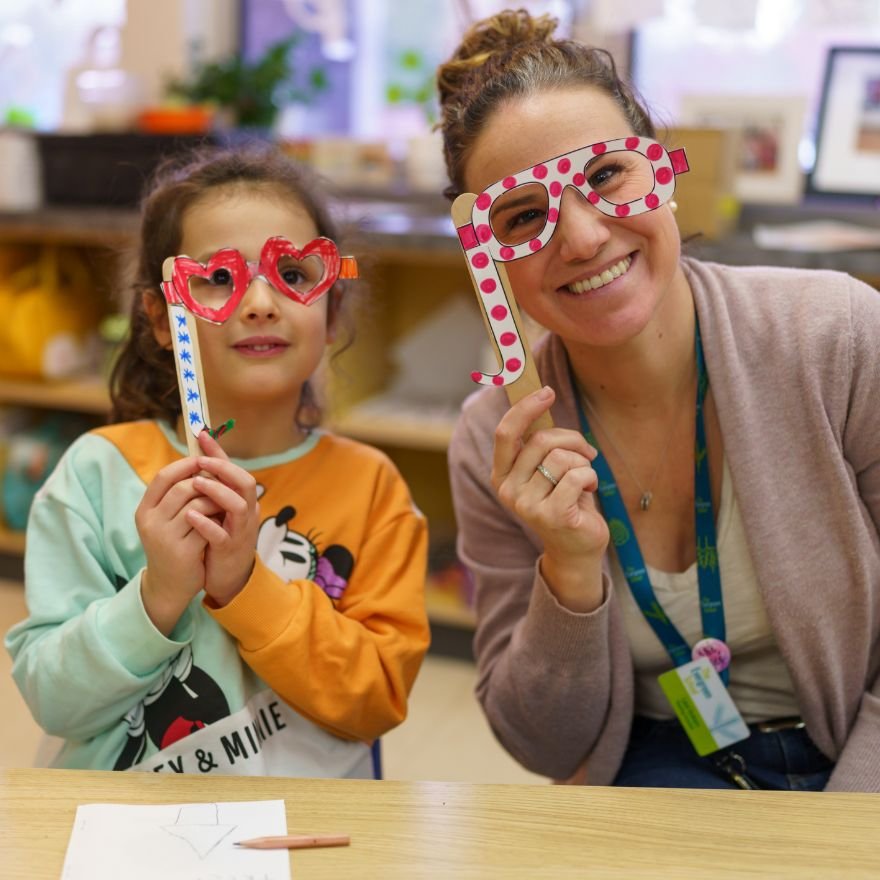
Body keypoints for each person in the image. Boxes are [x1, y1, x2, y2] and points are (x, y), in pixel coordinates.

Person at [439, 9, 880, 791]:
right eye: (524, 216)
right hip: (658, 768)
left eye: (606, 174)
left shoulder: (837, 336)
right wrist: (568, 571)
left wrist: (842, 833)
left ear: (663, 174)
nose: (578, 237)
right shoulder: (495, 443)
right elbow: (539, 745)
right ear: (488, 257)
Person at [5, 145, 430, 777]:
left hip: (307, 837)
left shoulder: (371, 487)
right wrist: (157, 595)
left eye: (294, 273)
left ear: (331, 306)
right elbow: (54, 701)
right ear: (159, 315)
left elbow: (374, 700)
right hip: (127, 831)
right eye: (220, 278)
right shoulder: (96, 474)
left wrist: (244, 586)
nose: (260, 301)